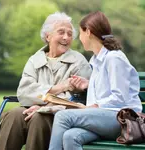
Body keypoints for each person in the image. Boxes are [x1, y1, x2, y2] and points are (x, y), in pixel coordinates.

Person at [0, 12, 92, 150]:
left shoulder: (78, 61)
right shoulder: (34, 60)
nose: (66, 37)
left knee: (39, 118)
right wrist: (59, 88)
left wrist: (44, 107)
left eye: (70, 34)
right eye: (61, 32)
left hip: (59, 115)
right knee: (14, 116)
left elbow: (80, 101)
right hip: (31, 108)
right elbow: (24, 92)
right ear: (48, 36)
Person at [48, 11, 142, 150]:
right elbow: (105, 90)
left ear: (88, 32)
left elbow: (120, 97)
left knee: (63, 117)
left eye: (80, 33)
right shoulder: (96, 60)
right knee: (70, 136)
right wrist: (88, 85)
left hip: (122, 120)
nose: (79, 38)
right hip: (105, 119)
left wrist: (95, 106)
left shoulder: (114, 58)